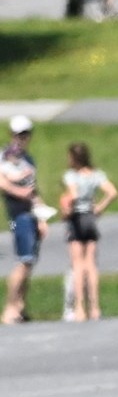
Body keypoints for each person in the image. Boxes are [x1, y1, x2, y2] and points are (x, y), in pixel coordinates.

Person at [61, 142, 118, 322]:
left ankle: (80, 308)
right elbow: (112, 192)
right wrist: (100, 207)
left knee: (78, 265)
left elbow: (73, 195)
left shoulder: (71, 175)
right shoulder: (96, 174)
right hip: (90, 218)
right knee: (91, 265)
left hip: (77, 219)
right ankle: (95, 308)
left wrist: (66, 208)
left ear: (74, 158)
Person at [0, 116, 49, 325]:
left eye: (26, 134)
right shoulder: (4, 156)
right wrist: (20, 191)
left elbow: (33, 189)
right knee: (24, 260)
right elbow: (2, 183)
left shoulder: (28, 159)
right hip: (17, 215)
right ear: (12, 134)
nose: (22, 138)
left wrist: (42, 215)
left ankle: (20, 305)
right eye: (19, 134)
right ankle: (10, 308)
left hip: (30, 214)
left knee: (29, 262)